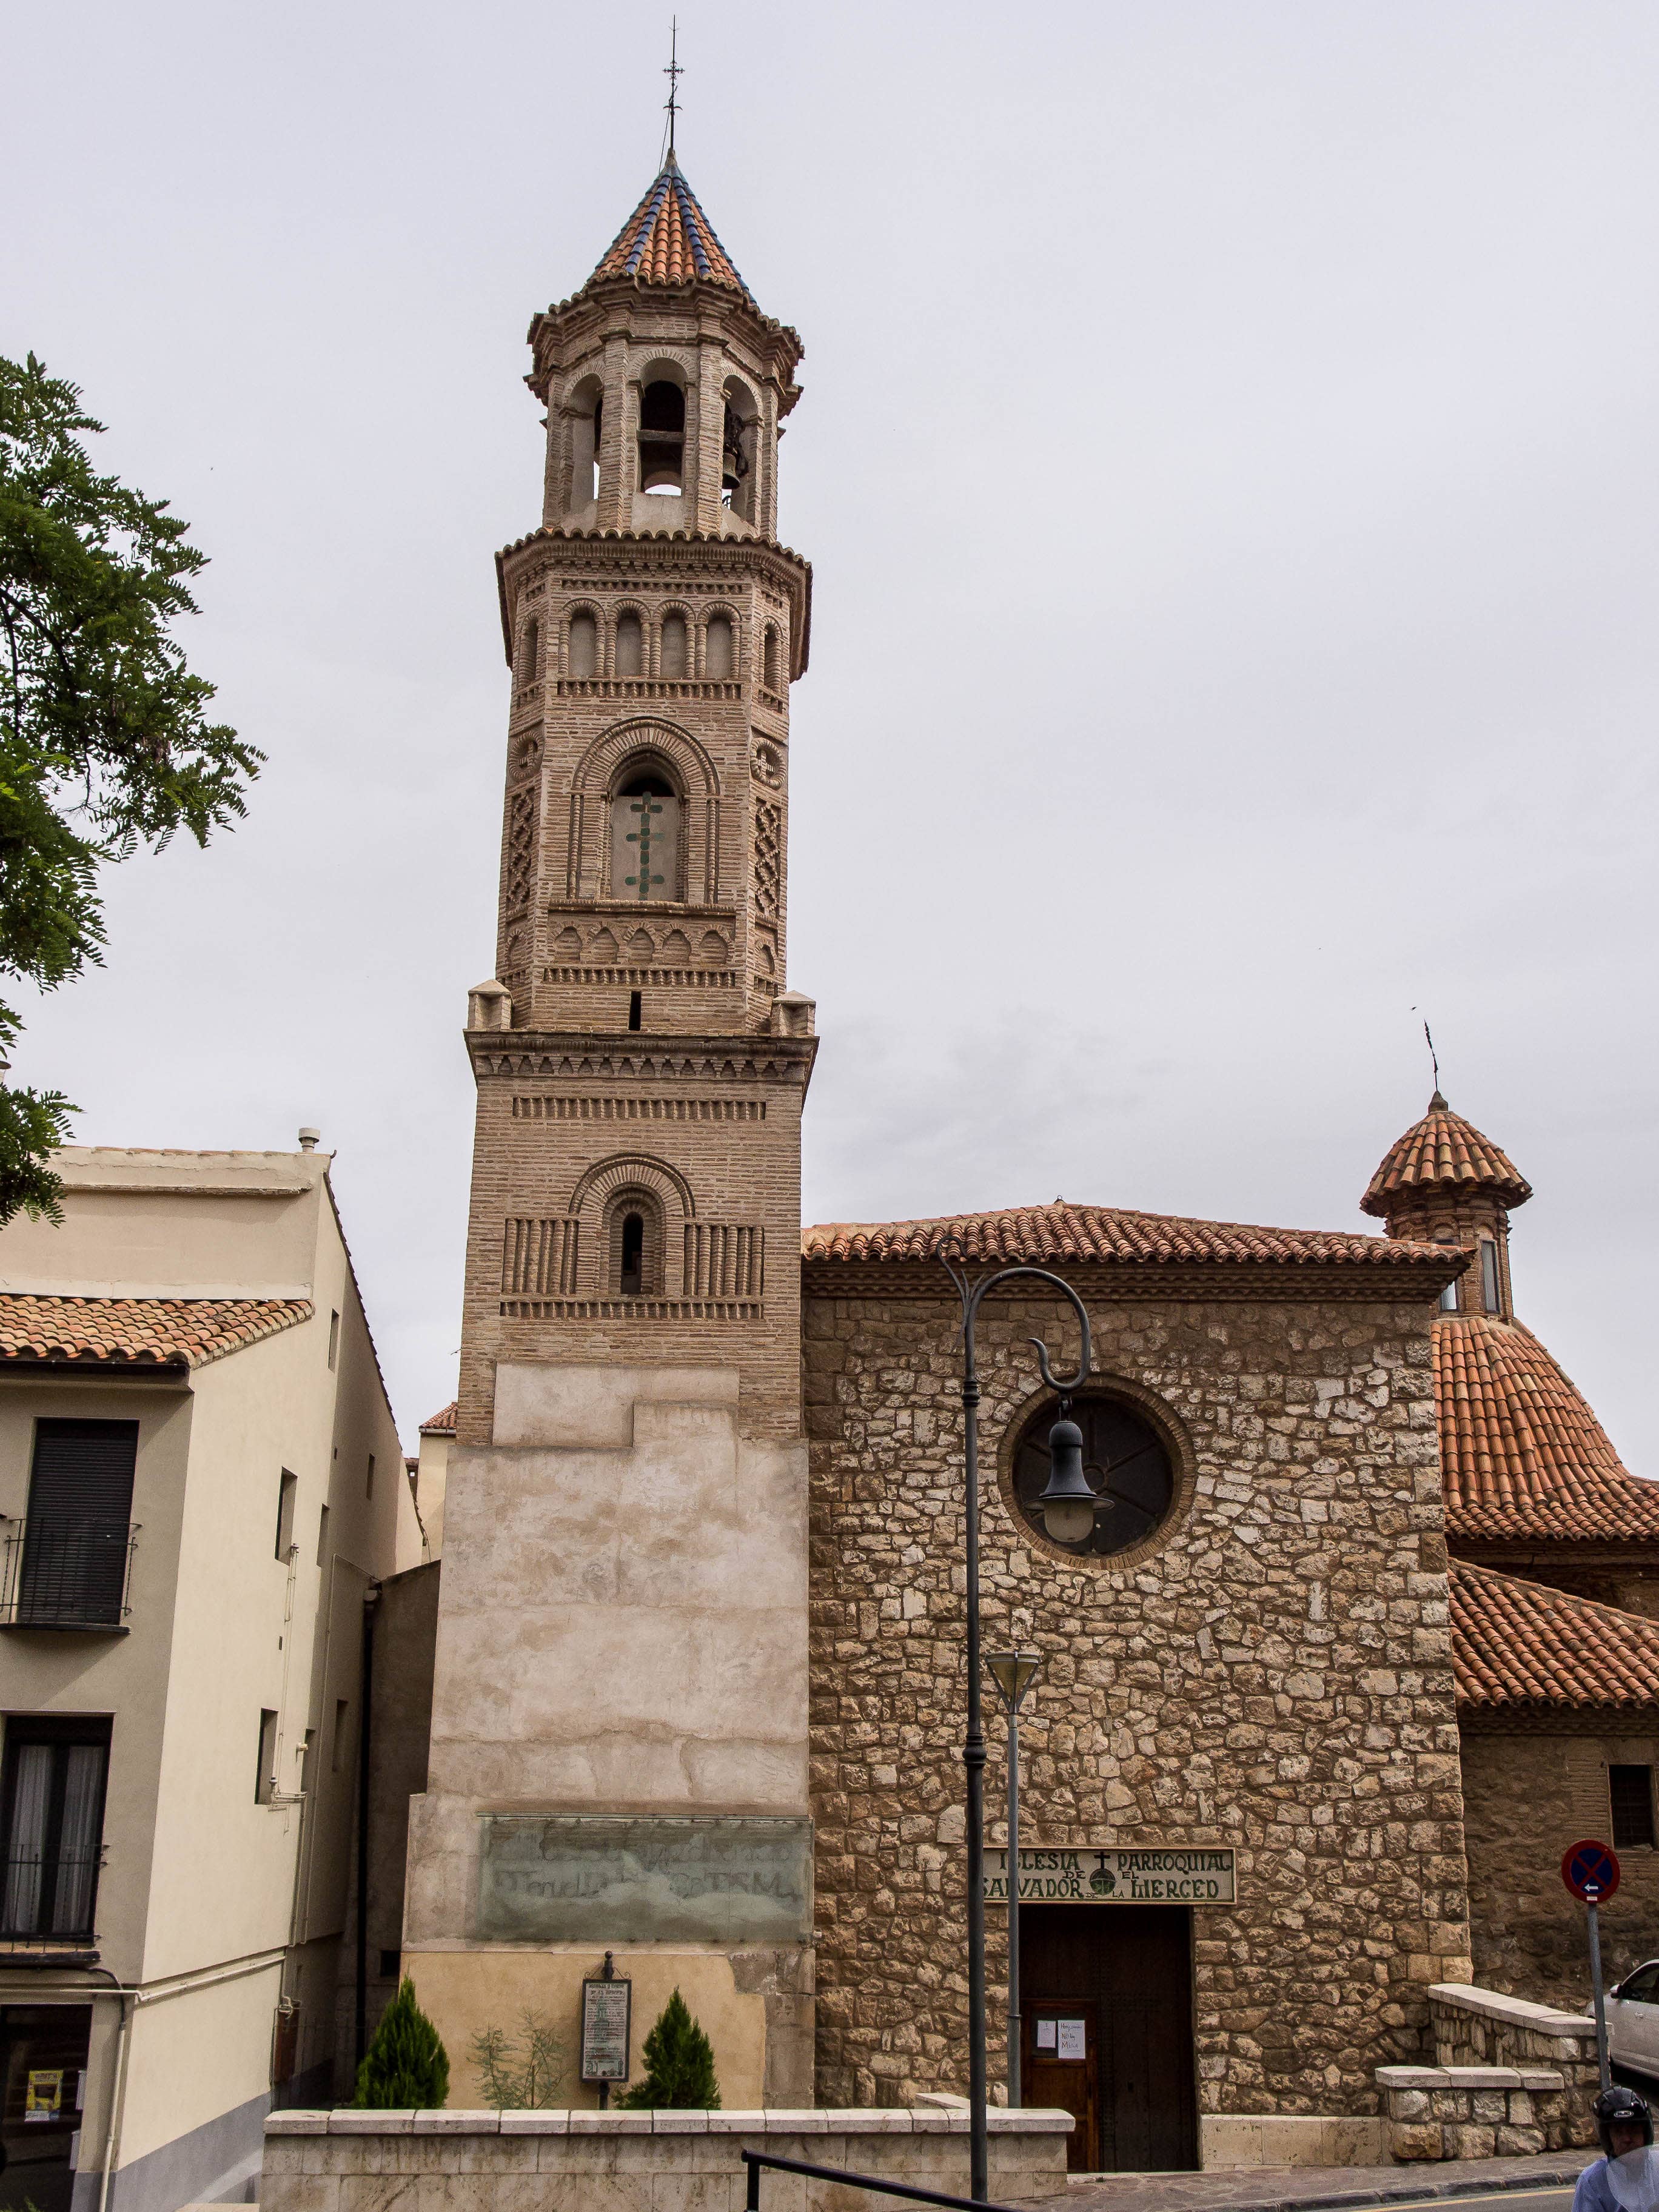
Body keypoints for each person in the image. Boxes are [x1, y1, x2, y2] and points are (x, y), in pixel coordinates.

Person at [1574, 2086, 1659, 2212]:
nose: (1626, 2139)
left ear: (1646, 2134)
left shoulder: (1657, 2167)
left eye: (1633, 2131)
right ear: (1608, 2138)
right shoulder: (1592, 2181)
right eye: (1618, 2132)